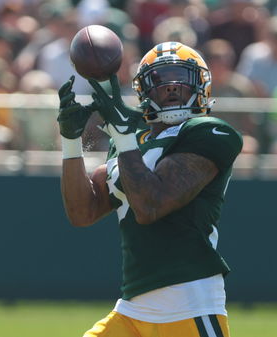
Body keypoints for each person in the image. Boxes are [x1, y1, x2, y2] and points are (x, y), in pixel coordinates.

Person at [57, 41, 242, 337]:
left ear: (201, 85)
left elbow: (150, 205)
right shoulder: (127, 140)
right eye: (160, 78)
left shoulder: (210, 132)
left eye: (181, 77)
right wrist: (71, 141)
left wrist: (125, 136)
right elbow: (83, 212)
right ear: (144, 89)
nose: (171, 86)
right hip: (132, 309)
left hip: (189, 306)